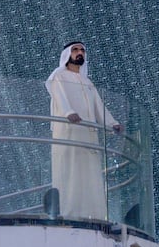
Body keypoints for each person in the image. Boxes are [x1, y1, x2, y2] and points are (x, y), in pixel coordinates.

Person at [45, 41, 122, 220]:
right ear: (67, 55)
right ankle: (69, 213)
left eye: (82, 50)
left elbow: (99, 106)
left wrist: (112, 123)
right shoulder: (59, 76)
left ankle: (94, 215)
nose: (80, 53)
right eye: (75, 50)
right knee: (70, 172)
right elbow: (60, 97)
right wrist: (69, 112)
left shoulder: (87, 82)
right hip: (69, 134)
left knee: (90, 173)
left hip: (88, 137)